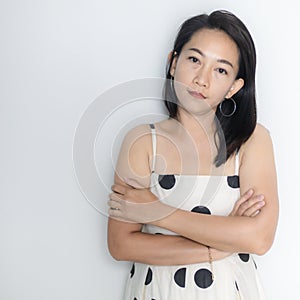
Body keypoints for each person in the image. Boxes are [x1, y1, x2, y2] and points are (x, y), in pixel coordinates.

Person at [108, 10, 279, 300]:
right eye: (194, 60)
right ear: (173, 63)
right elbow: (121, 245)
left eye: (221, 70)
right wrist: (223, 244)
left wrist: (158, 212)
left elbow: (259, 239)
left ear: (234, 87)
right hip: (157, 290)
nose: (202, 79)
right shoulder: (141, 141)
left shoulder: (253, 140)